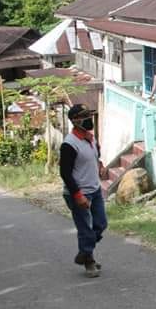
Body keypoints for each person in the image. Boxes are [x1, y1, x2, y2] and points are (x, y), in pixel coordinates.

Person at [60, 104, 108, 278]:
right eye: (84, 116)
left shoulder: (91, 139)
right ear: (75, 121)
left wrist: (99, 165)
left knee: (101, 224)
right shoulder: (69, 144)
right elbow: (64, 173)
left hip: (95, 190)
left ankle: (84, 253)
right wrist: (77, 194)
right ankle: (89, 262)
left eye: (89, 114)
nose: (89, 119)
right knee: (85, 229)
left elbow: (95, 157)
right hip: (78, 193)